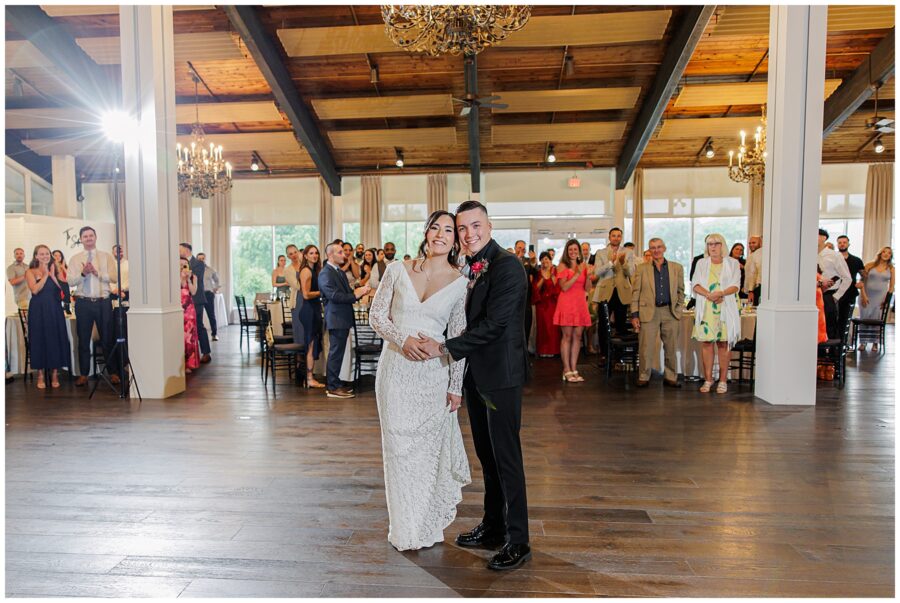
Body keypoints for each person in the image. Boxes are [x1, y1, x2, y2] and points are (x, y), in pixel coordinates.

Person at [416, 200, 531, 571]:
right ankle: (494, 526)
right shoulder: (470, 266)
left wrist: (444, 348)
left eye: (475, 226)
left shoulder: (508, 267)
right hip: (478, 378)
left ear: (490, 226)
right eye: (462, 229)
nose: (468, 234)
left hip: (501, 379)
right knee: (487, 455)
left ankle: (519, 540)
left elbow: (495, 324)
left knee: (507, 459)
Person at [368, 210, 470, 551]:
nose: (440, 234)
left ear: (455, 240)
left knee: (427, 452)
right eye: (435, 227)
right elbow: (377, 316)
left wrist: (456, 386)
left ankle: (425, 522)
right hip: (396, 370)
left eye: (448, 230)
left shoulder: (460, 281)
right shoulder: (397, 270)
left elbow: (458, 334)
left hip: (433, 376)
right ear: (426, 233)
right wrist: (401, 339)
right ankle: (404, 528)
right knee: (397, 449)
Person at [317, 241, 371, 398]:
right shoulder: (325, 273)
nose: (344, 254)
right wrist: (356, 294)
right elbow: (333, 295)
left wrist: (359, 290)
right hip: (336, 317)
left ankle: (336, 383)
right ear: (330, 255)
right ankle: (332, 387)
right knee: (335, 352)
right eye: (340, 252)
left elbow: (347, 292)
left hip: (342, 317)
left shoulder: (338, 272)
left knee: (339, 352)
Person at [68, 226, 119, 386]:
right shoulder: (75, 259)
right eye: (85, 236)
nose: (88, 238)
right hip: (83, 302)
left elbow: (114, 278)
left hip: (103, 301)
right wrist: (83, 273)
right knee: (83, 340)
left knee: (107, 339)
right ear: (81, 239)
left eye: (91, 235)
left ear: (95, 237)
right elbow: (70, 281)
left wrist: (97, 273)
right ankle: (84, 374)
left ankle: (113, 372)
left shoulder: (106, 257)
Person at [691, 233, 741, 394]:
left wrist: (720, 294)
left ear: (723, 245)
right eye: (709, 244)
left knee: (723, 343)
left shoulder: (733, 263)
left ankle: (723, 380)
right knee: (706, 343)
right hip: (706, 307)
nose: (712, 247)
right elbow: (695, 284)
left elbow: (735, 285)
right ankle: (708, 380)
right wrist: (709, 295)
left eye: (716, 243)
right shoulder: (701, 263)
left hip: (725, 306)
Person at [630, 238, 685, 387]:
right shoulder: (641, 268)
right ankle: (643, 376)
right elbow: (635, 292)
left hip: (670, 311)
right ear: (649, 250)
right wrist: (634, 314)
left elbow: (681, 291)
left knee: (671, 346)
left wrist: (678, 310)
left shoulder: (677, 268)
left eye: (659, 247)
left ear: (664, 248)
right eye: (653, 248)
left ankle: (671, 376)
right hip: (648, 312)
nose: (656, 250)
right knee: (646, 347)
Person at [25, 245, 71, 389]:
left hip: (54, 308)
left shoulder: (55, 270)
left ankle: (55, 374)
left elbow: (63, 289)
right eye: (42, 254)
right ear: (36, 256)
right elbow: (35, 290)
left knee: (55, 338)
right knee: (39, 339)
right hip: (38, 309)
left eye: (47, 253)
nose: (45, 256)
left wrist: (52, 274)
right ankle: (40, 374)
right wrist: (45, 275)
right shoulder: (30, 271)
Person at [554, 239, 592, 382]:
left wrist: (587, 275)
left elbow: (587, 288)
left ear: (579, 252)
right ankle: (566, 369)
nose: (573, 252)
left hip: (580, 304)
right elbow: (564, 287)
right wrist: (577, 273)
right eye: (570, 249)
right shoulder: (562, 266)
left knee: (578, 337)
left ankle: (574, 368)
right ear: (566, 251)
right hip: (567, 304)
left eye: (575, 249)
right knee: (567, 336)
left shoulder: (583, 266)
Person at [591, 227, 634, 336]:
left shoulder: (628, 252)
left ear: (621, 238)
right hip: (605, 292)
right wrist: (611, 263)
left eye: (618, 236)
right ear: (609, 237)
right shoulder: (601, 253)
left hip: (622, 291)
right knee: (603, 324)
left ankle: (619, 352)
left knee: (621, 323)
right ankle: (605, 352)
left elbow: (630, 273)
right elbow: (597, 271)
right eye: (613, 236)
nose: (616, 238)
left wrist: (623, 263)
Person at [294, 244, 325, 388]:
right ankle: (309, 378)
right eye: (311, 253)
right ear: (305, 256)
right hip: (308, 310)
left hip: (314, 309)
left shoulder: (315, 270)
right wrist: (322, 293)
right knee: (311, 345)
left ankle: (309, 376)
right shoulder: (306, 271)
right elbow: (306, 294)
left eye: (316, 253)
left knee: (313, 343)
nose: (315, 255)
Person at [179, 243, 211, 364]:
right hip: (183, 301)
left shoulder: (198, 264)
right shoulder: (179, 263)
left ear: (186, 250)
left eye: (180, 249)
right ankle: (188, 356)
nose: (178, 251)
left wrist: (187, 273)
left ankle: (206, 352)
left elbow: (196, 277)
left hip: (196, 299)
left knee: (198, 325)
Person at [817, 228, 852, 340]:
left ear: (824, 237)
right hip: (812, 294)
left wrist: (836, 296)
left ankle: (832, 355)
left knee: (830, 325)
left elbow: (847, 278)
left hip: (828, 295)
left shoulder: (834, 255)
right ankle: (817, 354)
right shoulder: (806, 255)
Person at [858, 247, 894, 351]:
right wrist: (864, 295)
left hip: (881, 298)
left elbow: (891, 286)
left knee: (877, 318)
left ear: (891, 256)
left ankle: (875, 343)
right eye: (884, 251)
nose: (886, 254)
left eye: (889, 253)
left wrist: (887, 301)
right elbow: (861, 282)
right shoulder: (869, 265)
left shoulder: (891, 268)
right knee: (864, 317)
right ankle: (863, 343)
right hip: (866, 296)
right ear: (880, 253)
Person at [532, 251, 561, 357]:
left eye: (547, 259)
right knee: (542, 327)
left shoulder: (555, 272)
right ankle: (542, 350)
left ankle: (553, 350)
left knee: (553, 328)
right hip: (542, 304)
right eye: (543, 259)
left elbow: (558, 287)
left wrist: (553, 278)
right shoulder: (538, 273)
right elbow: (535, 289)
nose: (545, 261)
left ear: (550, 260)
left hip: (553, 304)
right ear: (540, 261)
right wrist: (542, 280)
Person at [836, 235, 865, 335]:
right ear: (837, 244)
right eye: (840, 242)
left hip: (850, 293)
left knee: (845, 319)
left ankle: (843, 343)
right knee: (833, 318)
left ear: (848, 244)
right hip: (835, 292)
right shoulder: (833, 258)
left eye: (844, 242)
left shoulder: (856, 260)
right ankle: (833, 343)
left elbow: (864, 274)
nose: (842, 244)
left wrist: (861, 282)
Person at [514, 240, 538, 350]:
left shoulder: (529, 261)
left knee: (526, 328)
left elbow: (536, 274)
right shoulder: (510, 259)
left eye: (523, 248)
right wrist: (518, 258)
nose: (521, 250)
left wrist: (533, 263)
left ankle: (525, 356)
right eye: (519, 248)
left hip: (526, 300)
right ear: (515, 248)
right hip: (513, 301)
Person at [179, 257, 200, 373]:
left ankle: (189, 363)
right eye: (180, 265)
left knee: (189, 337)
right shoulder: (173, 277)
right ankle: (180, 364)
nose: (183, 267)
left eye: (185, 264)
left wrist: (189, 279)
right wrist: (182, 278)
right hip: (179, 308)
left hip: (189, 310)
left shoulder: (192, 277)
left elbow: (193, 292)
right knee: (180, 337)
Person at [196, 253, 220, 342]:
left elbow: (217, 280)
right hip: (198, 295)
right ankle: (198, 335)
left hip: (208, 295)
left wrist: (215, 289)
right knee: (199, 316)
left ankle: (214, 334)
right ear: (197, 260)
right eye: (199, 259)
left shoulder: (210, 270)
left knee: (211, 315)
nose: (201, 260)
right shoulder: (194, 270)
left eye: (203, 258)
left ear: (205, 259)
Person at [744, 235, 763, 306]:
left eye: (754, 242)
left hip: (756, 288)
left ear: (761, 243)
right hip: (754, 289)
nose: (751, 245)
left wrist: (751, 291)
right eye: (749, 243)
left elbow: (753, 273)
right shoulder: (752, 255)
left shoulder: (758, 254)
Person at [52, 249, 71, 314]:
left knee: (67, 309)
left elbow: (69, 278)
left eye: (59, 256)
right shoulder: (51, 266)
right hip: (56, 287)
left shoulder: (64, 266)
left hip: (65, 286)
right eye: (55, 255)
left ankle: (67, 308)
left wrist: (63, 267)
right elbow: (61, 279)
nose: (57, 257)